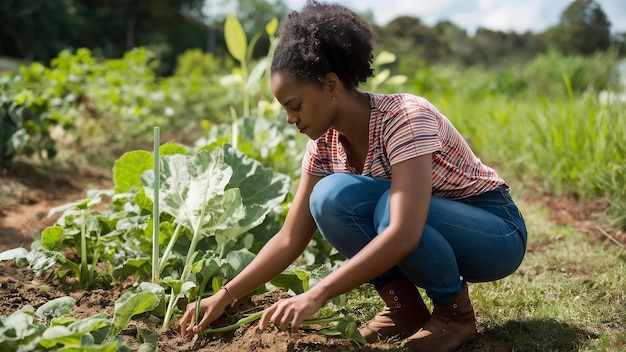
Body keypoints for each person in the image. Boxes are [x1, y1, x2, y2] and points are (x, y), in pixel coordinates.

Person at [179, 1, 527, 351]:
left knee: (388, 209)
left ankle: (455, 314)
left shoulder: (405, 118)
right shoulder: (325, 144)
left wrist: (317, 295)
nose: (289, 119)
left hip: (494, 233)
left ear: (331, 84)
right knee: (329, 198)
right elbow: (290, 238)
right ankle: (403, 310)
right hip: (423, 229)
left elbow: (404, 232)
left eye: (295, 105)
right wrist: (225, 295)